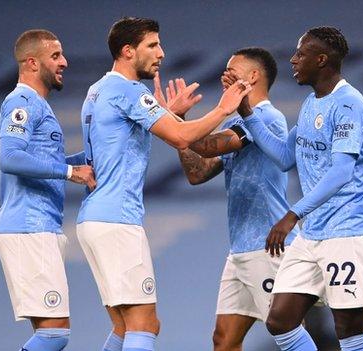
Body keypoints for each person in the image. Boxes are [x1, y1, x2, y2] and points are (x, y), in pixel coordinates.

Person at [76, 17, 251, 351]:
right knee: (145, 325)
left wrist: (166, 113)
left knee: (123, 327)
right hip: (117, 221)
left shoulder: (98, 89)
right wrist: (223, 109)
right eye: (152, 45)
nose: (161, 53)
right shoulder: (128, 90)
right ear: (128, 51)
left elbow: (119, 140)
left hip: (94, 219)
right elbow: (181, 137)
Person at [227, 26, 363, 351]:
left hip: (350, 230)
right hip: (314, 234)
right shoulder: (313, 103)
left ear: (322, 59)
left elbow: (341, 171)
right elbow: (285, 156)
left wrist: (291, 215)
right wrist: (247, 113)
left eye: (301, 54)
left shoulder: (348, 104)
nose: (293, 59)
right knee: (280, 320)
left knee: (348, 327)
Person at [175, 47, 298, 351]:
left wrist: (172, 122)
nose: (224, 75)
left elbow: (204, 146)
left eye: (232, 70)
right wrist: (178, 118)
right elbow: (198, 172)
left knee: (290, 334)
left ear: (253, 76)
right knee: (224, 340)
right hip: (241, 250)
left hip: (268, 247)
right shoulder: (236, 125)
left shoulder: (267, 118)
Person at [0, 29, 95, 351]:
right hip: (28, 228)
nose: (64, 62)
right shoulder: (22, 102)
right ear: (32, 63)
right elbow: (10, 157)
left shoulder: (37, 104)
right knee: (54, 335)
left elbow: (41, 161)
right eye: (56, 56)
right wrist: (69, 172)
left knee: (48, 332)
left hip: (38, 228)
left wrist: (87, 160)